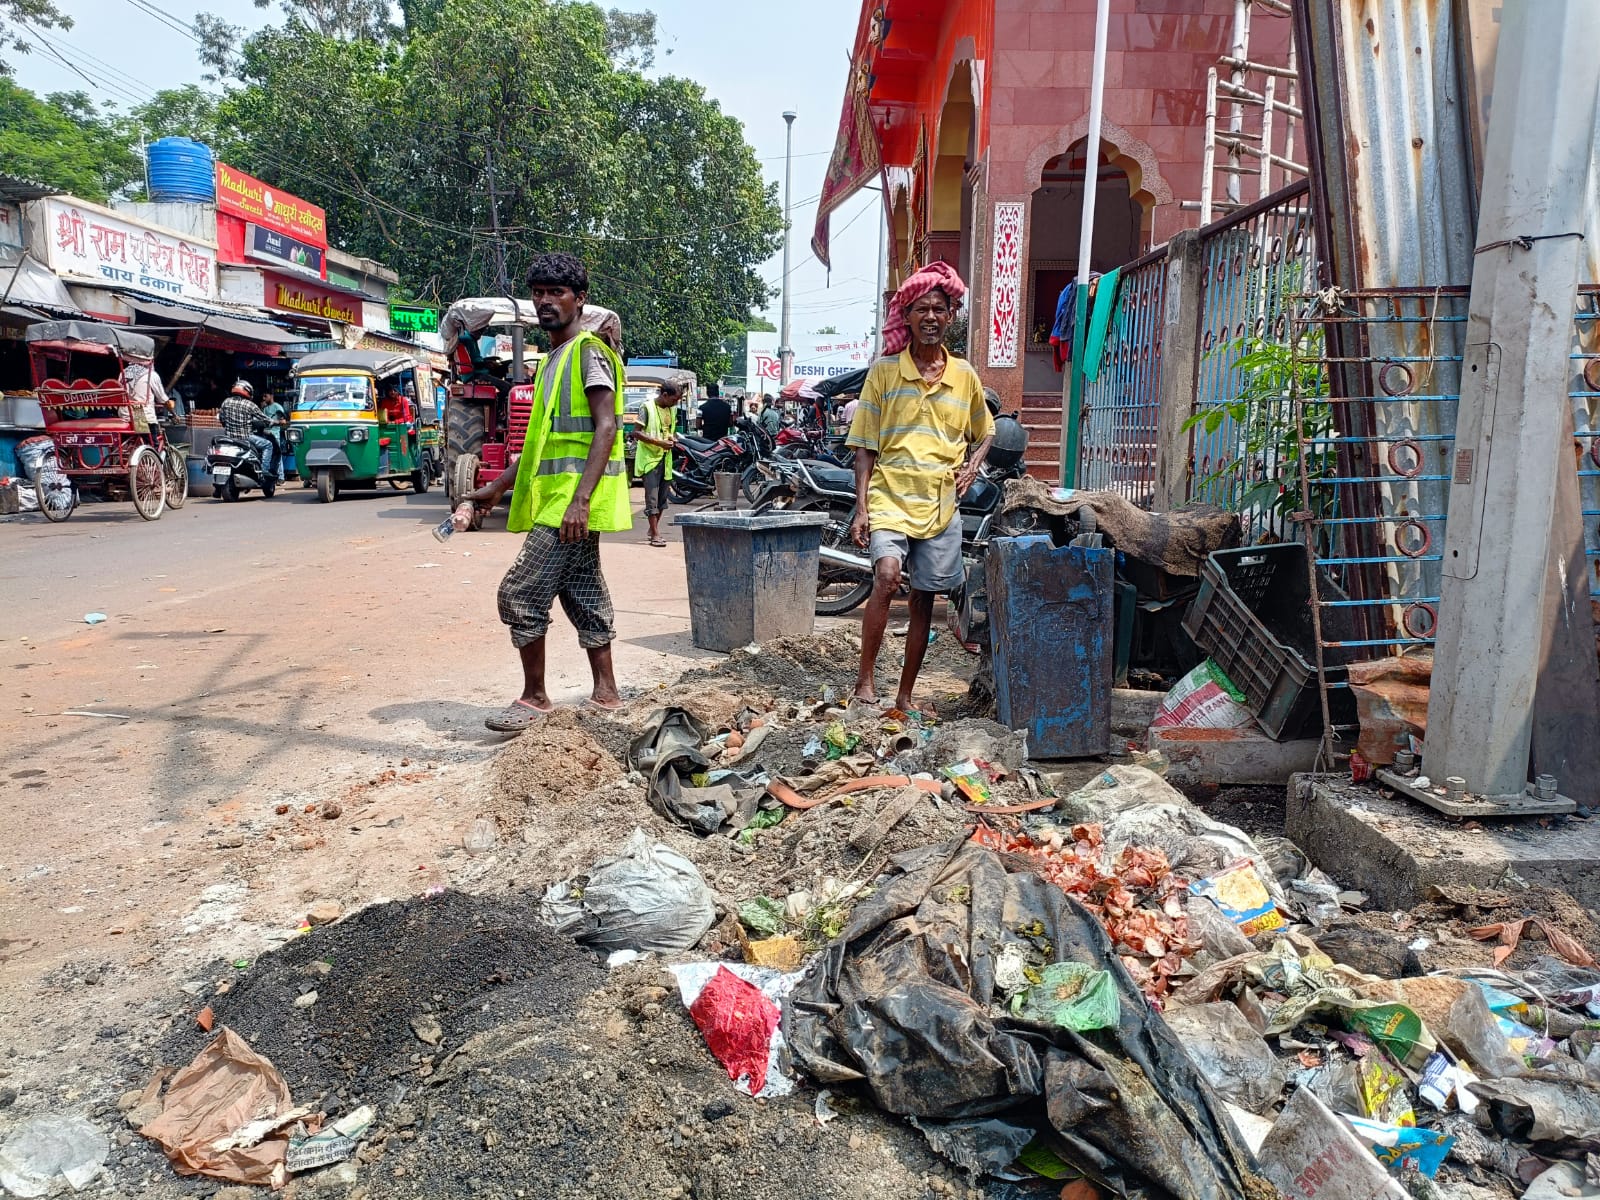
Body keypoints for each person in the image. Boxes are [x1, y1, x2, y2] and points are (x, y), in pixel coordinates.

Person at [463, 252, 632, 732]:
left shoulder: (587, 353)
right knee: (582, 591)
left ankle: (535, 697)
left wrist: (580, 500)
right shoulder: (552, 361)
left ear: (579, 299)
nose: (544, 302)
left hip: (571, 503)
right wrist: (494, 488)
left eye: (556, 292)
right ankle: (607, 695)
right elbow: (537, 445)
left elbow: (607, 426)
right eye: (537, 293)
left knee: (519, 592)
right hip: (560, 499)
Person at [846, 261, 994, 712]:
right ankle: (864, 683)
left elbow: (984, 430)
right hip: (890, 495)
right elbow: (865, 445)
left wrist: (972, 466)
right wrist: (861, 507)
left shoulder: (964, 375)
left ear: (950, 317)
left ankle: (905, 695)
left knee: (924, 599)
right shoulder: (885, 372)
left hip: (940, 504)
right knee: (887, 578)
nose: (930, 317)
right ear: (906, 318)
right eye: (921, 309)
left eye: (939, 309)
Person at [633, 381, 681, 548]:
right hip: (649, 459)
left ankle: (653, 529)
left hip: (665, 458)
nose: (676, 403)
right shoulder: (646, 408)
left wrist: (672, 439)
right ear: (665, 395)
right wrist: (658, 442)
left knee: (662, 498)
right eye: (674, 399)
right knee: (652, 498)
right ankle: (655, 534)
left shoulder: (671, 409)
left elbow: (669, 430)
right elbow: (636, 432)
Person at [219, 380, 279, 487]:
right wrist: (277, 422)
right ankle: (264, 471)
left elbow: (222, 420)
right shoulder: (249, 405)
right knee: (268, 445)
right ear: (247, 391)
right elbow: (265, 419)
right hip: (246, 437)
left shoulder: (225, 402)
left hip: (229, 438)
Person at [259, 392, 291, 482]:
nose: (264, 398)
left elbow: (284, 421)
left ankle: (281, 477)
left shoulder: (277, 407)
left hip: (274, 434)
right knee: (267, 455)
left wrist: (275, 422)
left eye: (266, 396)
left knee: (277, 455)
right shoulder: (265, 408)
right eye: (263, 396)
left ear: (271, 396)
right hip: (265, 434)